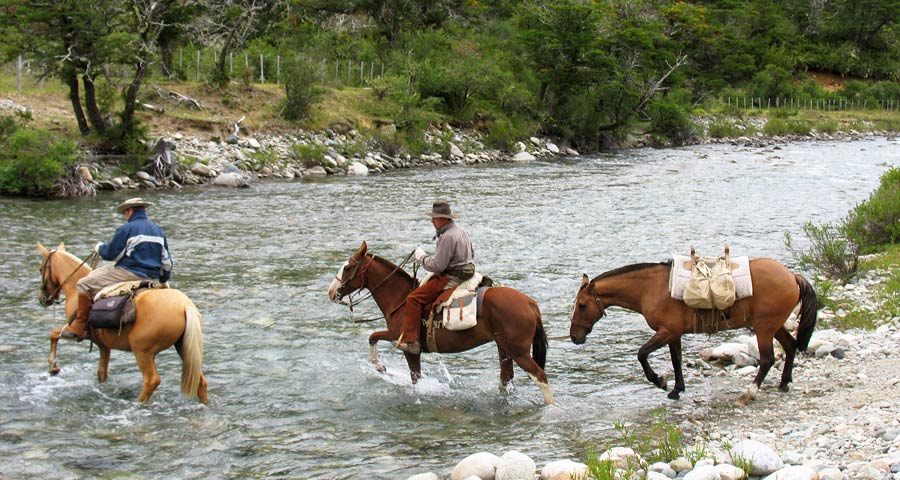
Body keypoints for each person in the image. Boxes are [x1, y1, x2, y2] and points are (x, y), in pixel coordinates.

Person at [60, 197, 174, 341]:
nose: (126, 216)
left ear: (129, 211)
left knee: (84, 283)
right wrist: (163, 279)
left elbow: (112, 254)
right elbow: (167, 262)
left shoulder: (126, 229)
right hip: (150, 277)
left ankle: (80, 326)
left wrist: (99, 248)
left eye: (126, 213)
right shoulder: (158, 230)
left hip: (128, 272)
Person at [396, 201, 475, 354]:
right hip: (467, 272)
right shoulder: (462, 231)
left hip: (452, 277)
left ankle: (411, 342)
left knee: (413, 298)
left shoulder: (447, 236)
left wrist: (422, 258)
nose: (432, 221)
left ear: (444, 219)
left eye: (435, 218)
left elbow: (437, 266)